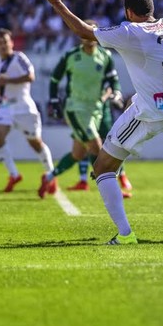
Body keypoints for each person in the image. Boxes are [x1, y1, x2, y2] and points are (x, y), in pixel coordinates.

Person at [43, 0, 163, 244]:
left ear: (129, 12)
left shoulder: (129, 31)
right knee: (144, 108)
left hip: (147, 115)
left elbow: (84, 32)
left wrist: (56, 3)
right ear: (152, 8)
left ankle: (125, 235)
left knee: (101, 168)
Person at [41, 20, 131, 199]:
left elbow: (113, 80)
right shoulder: (71, 56)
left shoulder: (105, 56)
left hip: (96, 109)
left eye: (93, 32)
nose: (89, 37)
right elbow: (54, 79)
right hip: (76, 108)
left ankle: (48, 177)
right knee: (97, 146)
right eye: (86, 32)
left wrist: (117, 93)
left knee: (78, 153)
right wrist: (54, 102)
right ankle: (111, 188)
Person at [0, 28, 55, 194]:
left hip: (23, 106)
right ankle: (14, 174)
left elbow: (30, 77)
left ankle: (51, 174)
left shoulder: (19, 58)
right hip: (6, 107)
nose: (3, 45)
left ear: (11, 43)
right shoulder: (0, 63)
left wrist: (8, 80)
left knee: (35, 143)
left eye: (5, 42)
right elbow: (1, 83)